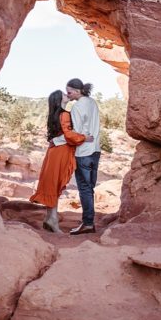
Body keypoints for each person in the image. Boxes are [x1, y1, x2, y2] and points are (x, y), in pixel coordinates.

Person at [31, 90, 88, 233]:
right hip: (61, 152)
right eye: (63, 94)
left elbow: (61, 135)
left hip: (54, 152)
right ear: (59, 99)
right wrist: (84, 137)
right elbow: (69, 135)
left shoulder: (55, 115)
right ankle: (52, 220)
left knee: (52, 183)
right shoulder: (65, 114)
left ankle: (50, 218)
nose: (67, 94)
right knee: (55, 184)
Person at [62, 78, 101, 235]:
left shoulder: (77, 107)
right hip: (95, 150)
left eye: (69, 92)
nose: (67, 95)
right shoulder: (92, 102)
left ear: (77, 91)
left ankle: (88, 223)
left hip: (83, 151)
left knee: (84, 188)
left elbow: (77, 133)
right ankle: (89, 221)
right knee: (90, 188)